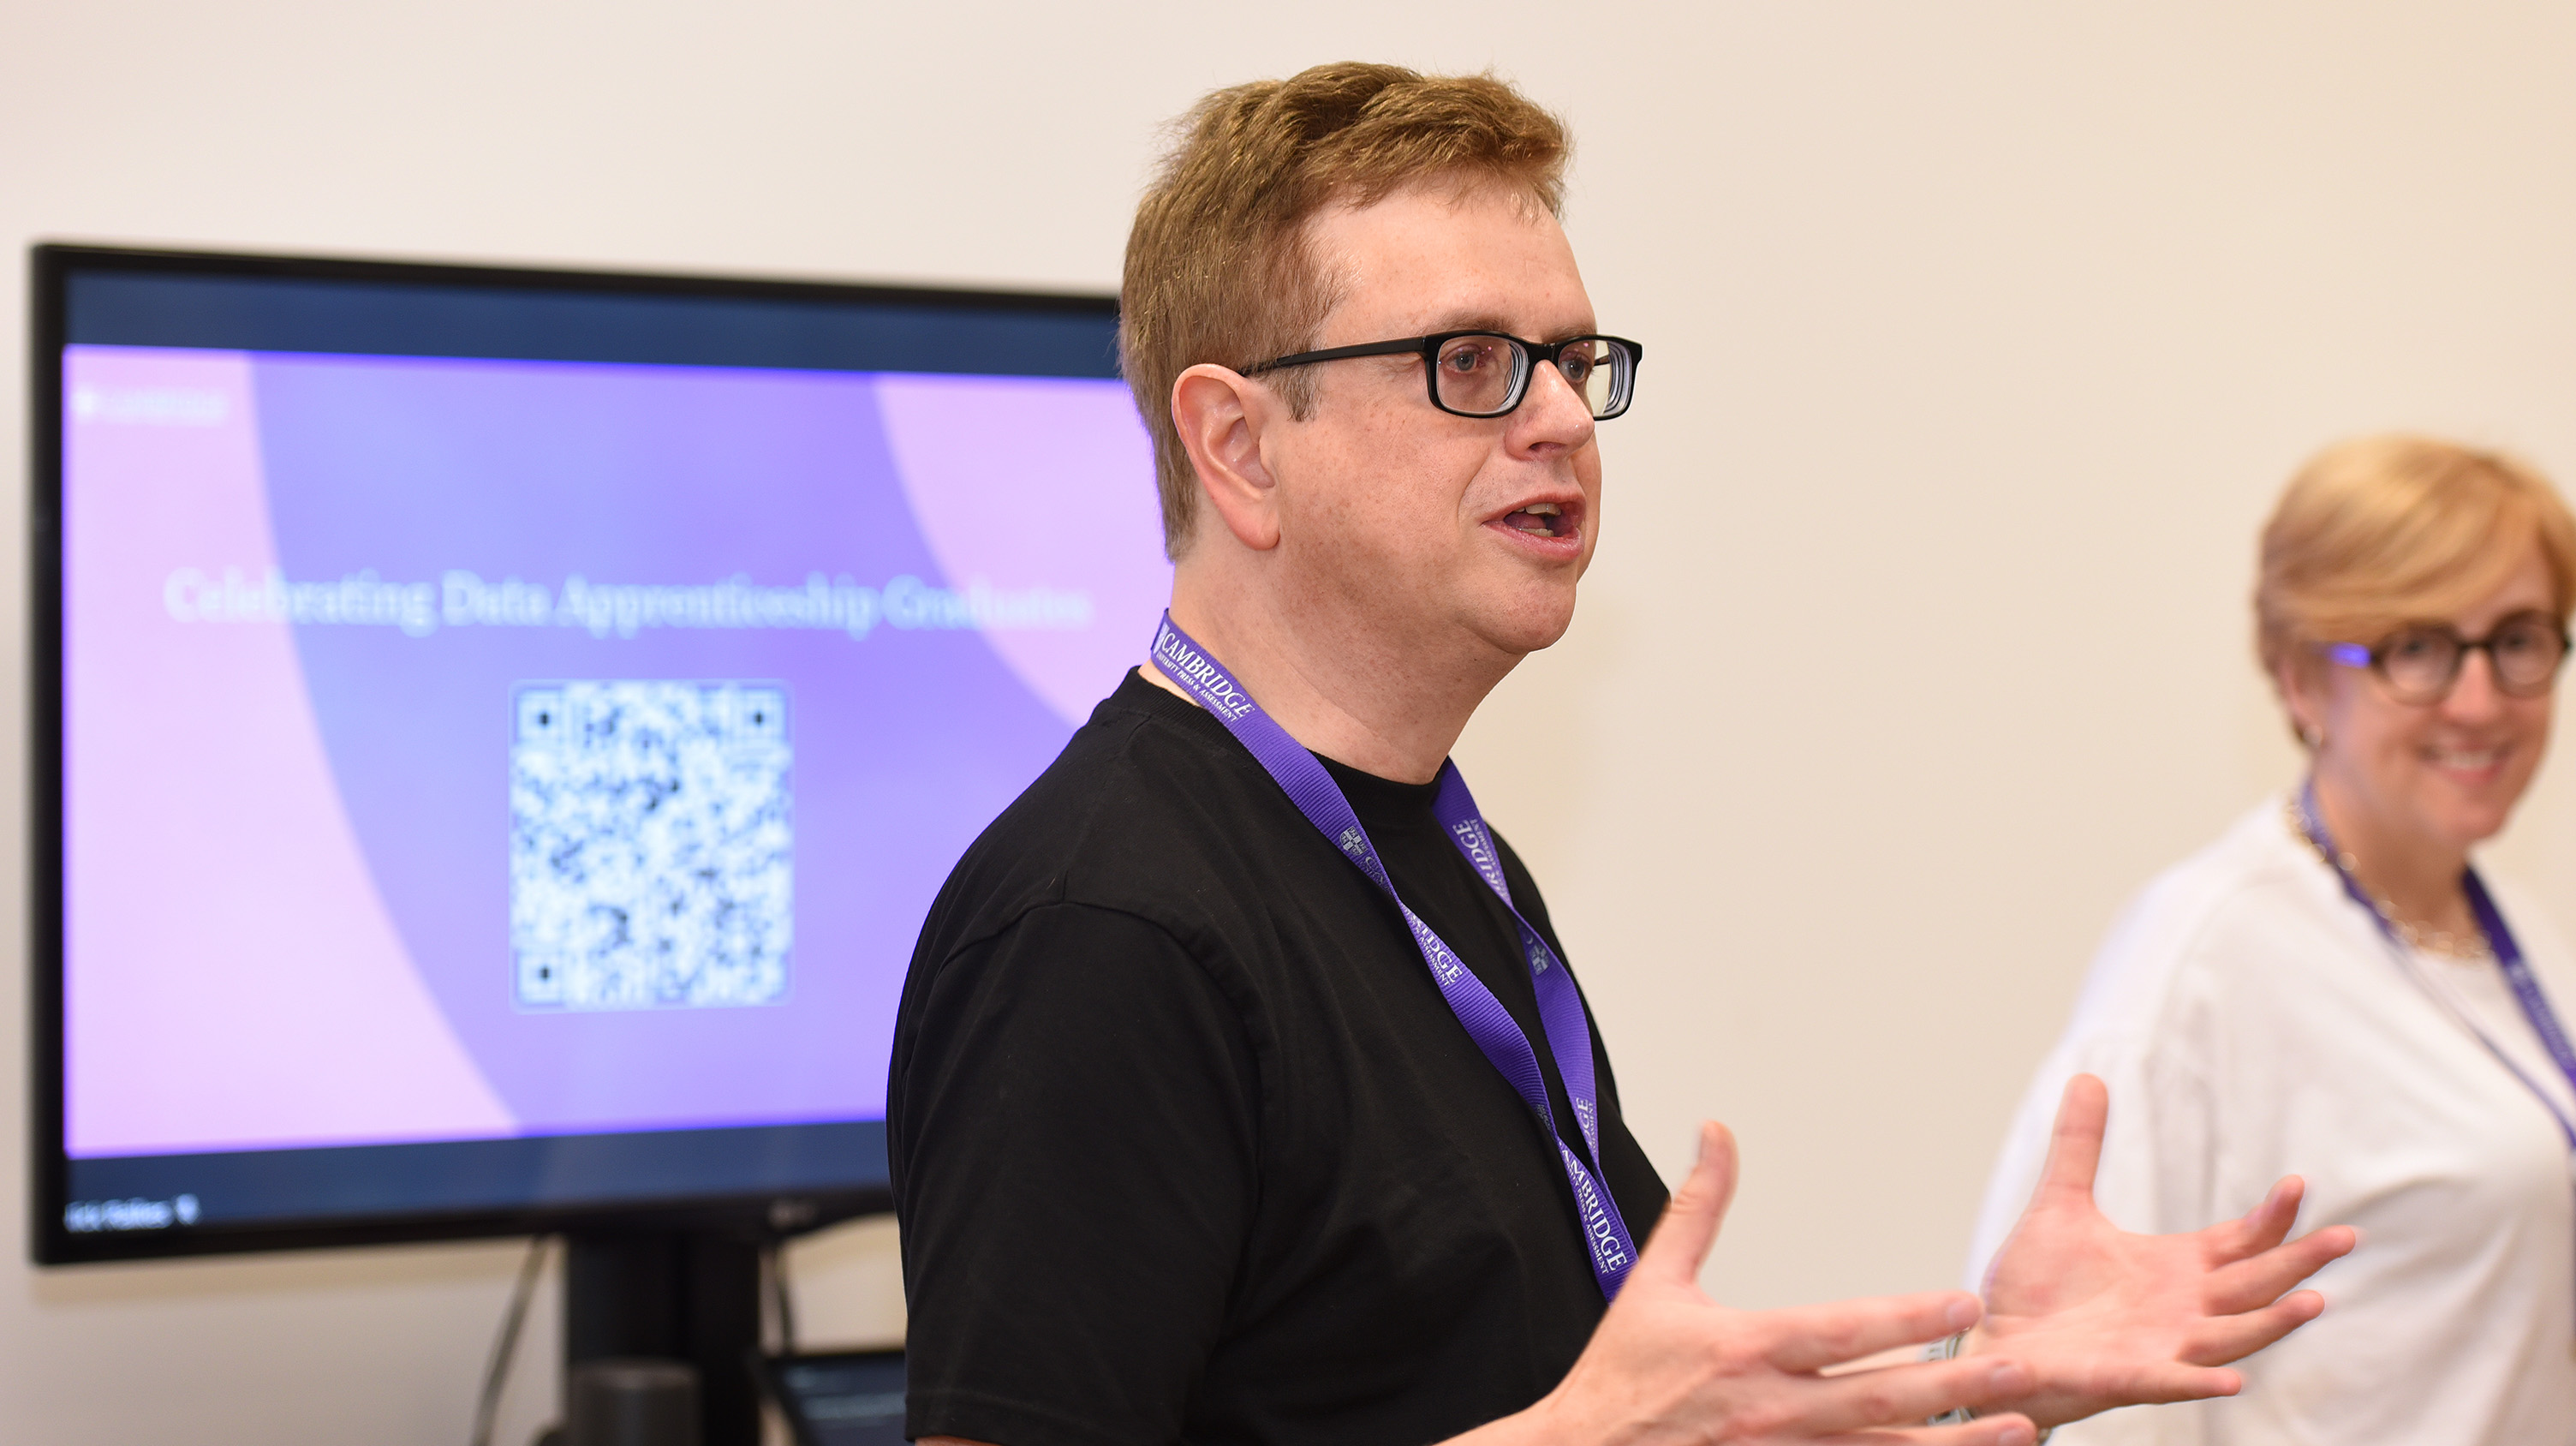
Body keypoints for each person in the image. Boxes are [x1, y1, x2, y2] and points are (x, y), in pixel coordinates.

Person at [890, 63, 2353, 1446]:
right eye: (1469, 360)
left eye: (1571, 359)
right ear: (1238, 445)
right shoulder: (1101, 930)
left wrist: (1975, 1381)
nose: (1560, 419)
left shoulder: (1446, 857)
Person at [1967, 434, 2576, 1444]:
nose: (2478, 701)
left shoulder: (2525, 934)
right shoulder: (2203, 953)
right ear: (2300, 678)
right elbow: (2076, 1375)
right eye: (2415, 649)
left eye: (2516, 639)